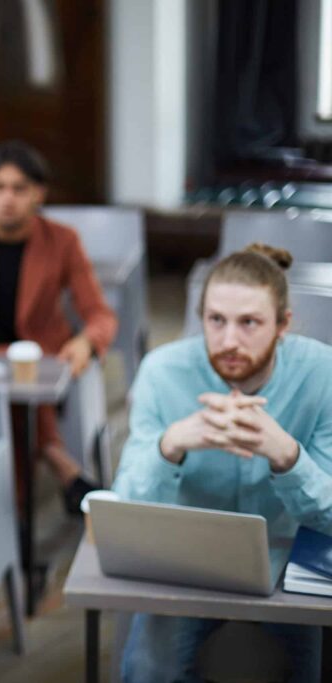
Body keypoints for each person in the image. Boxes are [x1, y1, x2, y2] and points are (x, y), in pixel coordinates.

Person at [112, 243, 331, 682]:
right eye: (216, 321)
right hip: (188, 561)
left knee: (308, 672)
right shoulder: (161, 371)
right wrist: (170, 445)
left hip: (289, 558)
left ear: (283, 324)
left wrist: (287, 456)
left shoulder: (322, 372)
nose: (229, 341)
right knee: (146, 671)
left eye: (249, 322)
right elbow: (126, 506)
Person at [0, 139, 117, 513]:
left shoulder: (61, 240)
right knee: (5, 396)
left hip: (39, 358)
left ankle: (9, 510)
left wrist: (85, 342)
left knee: (19, 392)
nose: (7, 199)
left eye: (19, 188)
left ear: (38, 194)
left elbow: (99, 314)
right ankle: (62, 469)